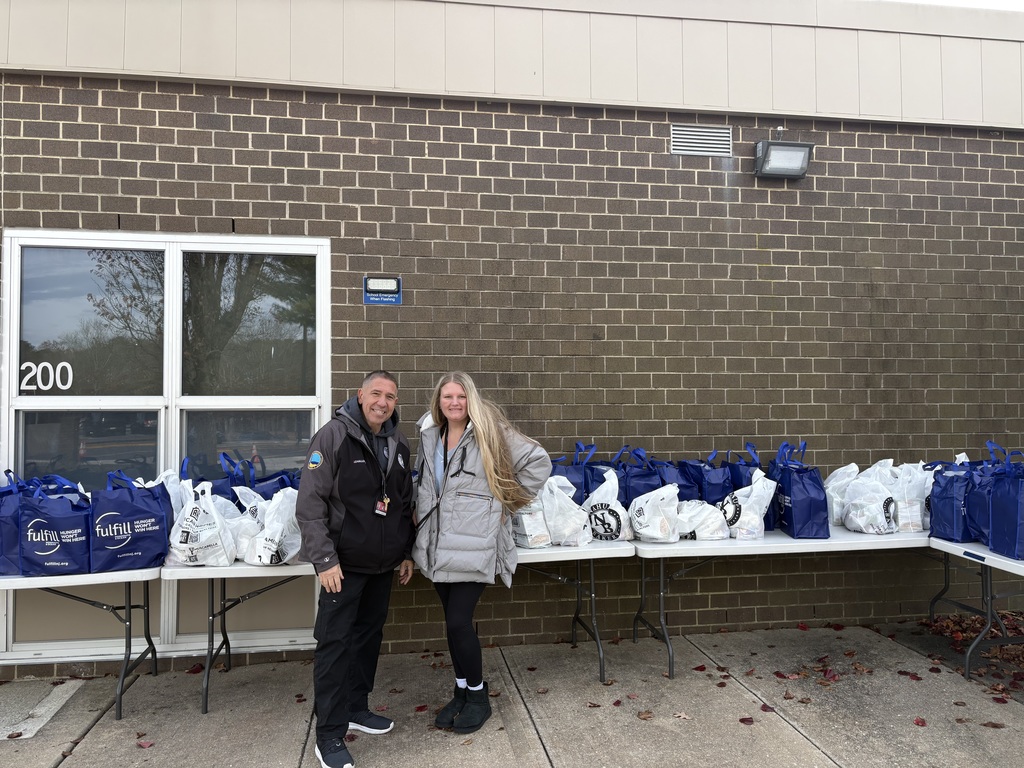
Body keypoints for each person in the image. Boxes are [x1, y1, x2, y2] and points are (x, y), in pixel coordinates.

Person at [412, 371, 551, 734]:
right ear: (438, 402)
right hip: (437, 541)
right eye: (447, 397)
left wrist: (508, 501)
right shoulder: (431, 435)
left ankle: (478, 696)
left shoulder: (490, 430)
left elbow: (539, 462)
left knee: (460, 621)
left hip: (476, 542)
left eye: (460, 396)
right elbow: (424, 478)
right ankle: (461, 690)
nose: (454, 403)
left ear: (470, 398)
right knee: (452, 624)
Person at [296, 370, 415, 768]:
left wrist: (406, 552)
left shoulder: (398, 444)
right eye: (376, 393)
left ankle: (356, 708)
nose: (383, 402)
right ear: (360, 395)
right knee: (334, 646)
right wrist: (324, 560)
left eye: (391, 397)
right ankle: (328, 735)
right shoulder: (332, 437)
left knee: (367, 638)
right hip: (342, 568)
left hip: (382, 566)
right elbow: (310, 505)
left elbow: (401, 503)